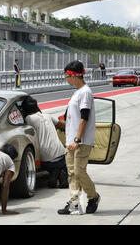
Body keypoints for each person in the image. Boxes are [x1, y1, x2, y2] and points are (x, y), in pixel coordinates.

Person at [58, 60, 100, 215]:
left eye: (67, 76)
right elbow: (75, 116)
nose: (66, 79)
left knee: (79, 171)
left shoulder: (85, 92)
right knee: (72, 172)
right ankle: (74, 203)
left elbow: (84, 118)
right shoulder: (77, 92)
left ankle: (93, 196)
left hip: (81, 141)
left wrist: (77, 140)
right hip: (71, 140)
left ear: (74, 76)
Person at [21, 96, 68, 189]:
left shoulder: (29, 119)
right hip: (61, 152)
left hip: (46, 157)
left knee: (46, 162)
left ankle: (54, 173)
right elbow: (62, 125)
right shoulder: (47, 115)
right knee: (62, 161)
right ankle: (59, 172)